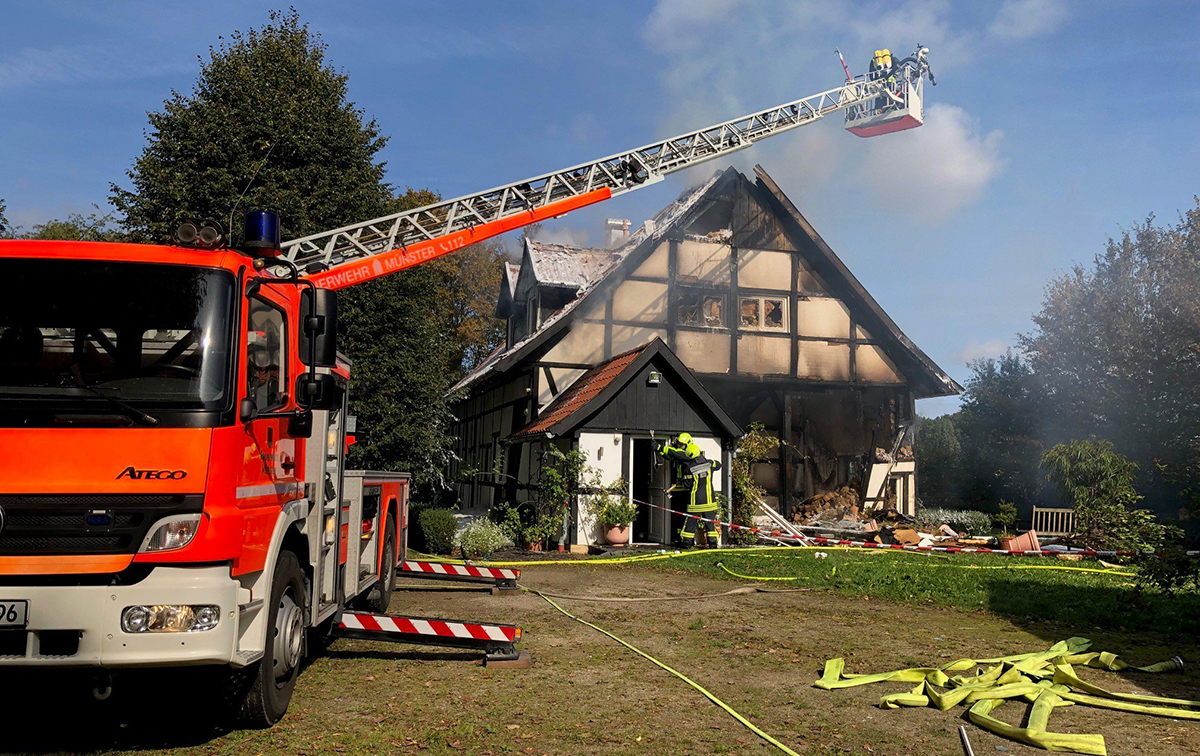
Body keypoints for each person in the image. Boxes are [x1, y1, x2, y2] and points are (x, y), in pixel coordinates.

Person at [657, 432, 722, 549]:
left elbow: (687, 485)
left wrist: (682, 481)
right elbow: (719, 465)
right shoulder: (709, 464)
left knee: (690, 523)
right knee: (710, 524)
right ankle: (713, 544)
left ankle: (686, 543)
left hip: (695, 501)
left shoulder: (690, 469)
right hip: (709, 501)